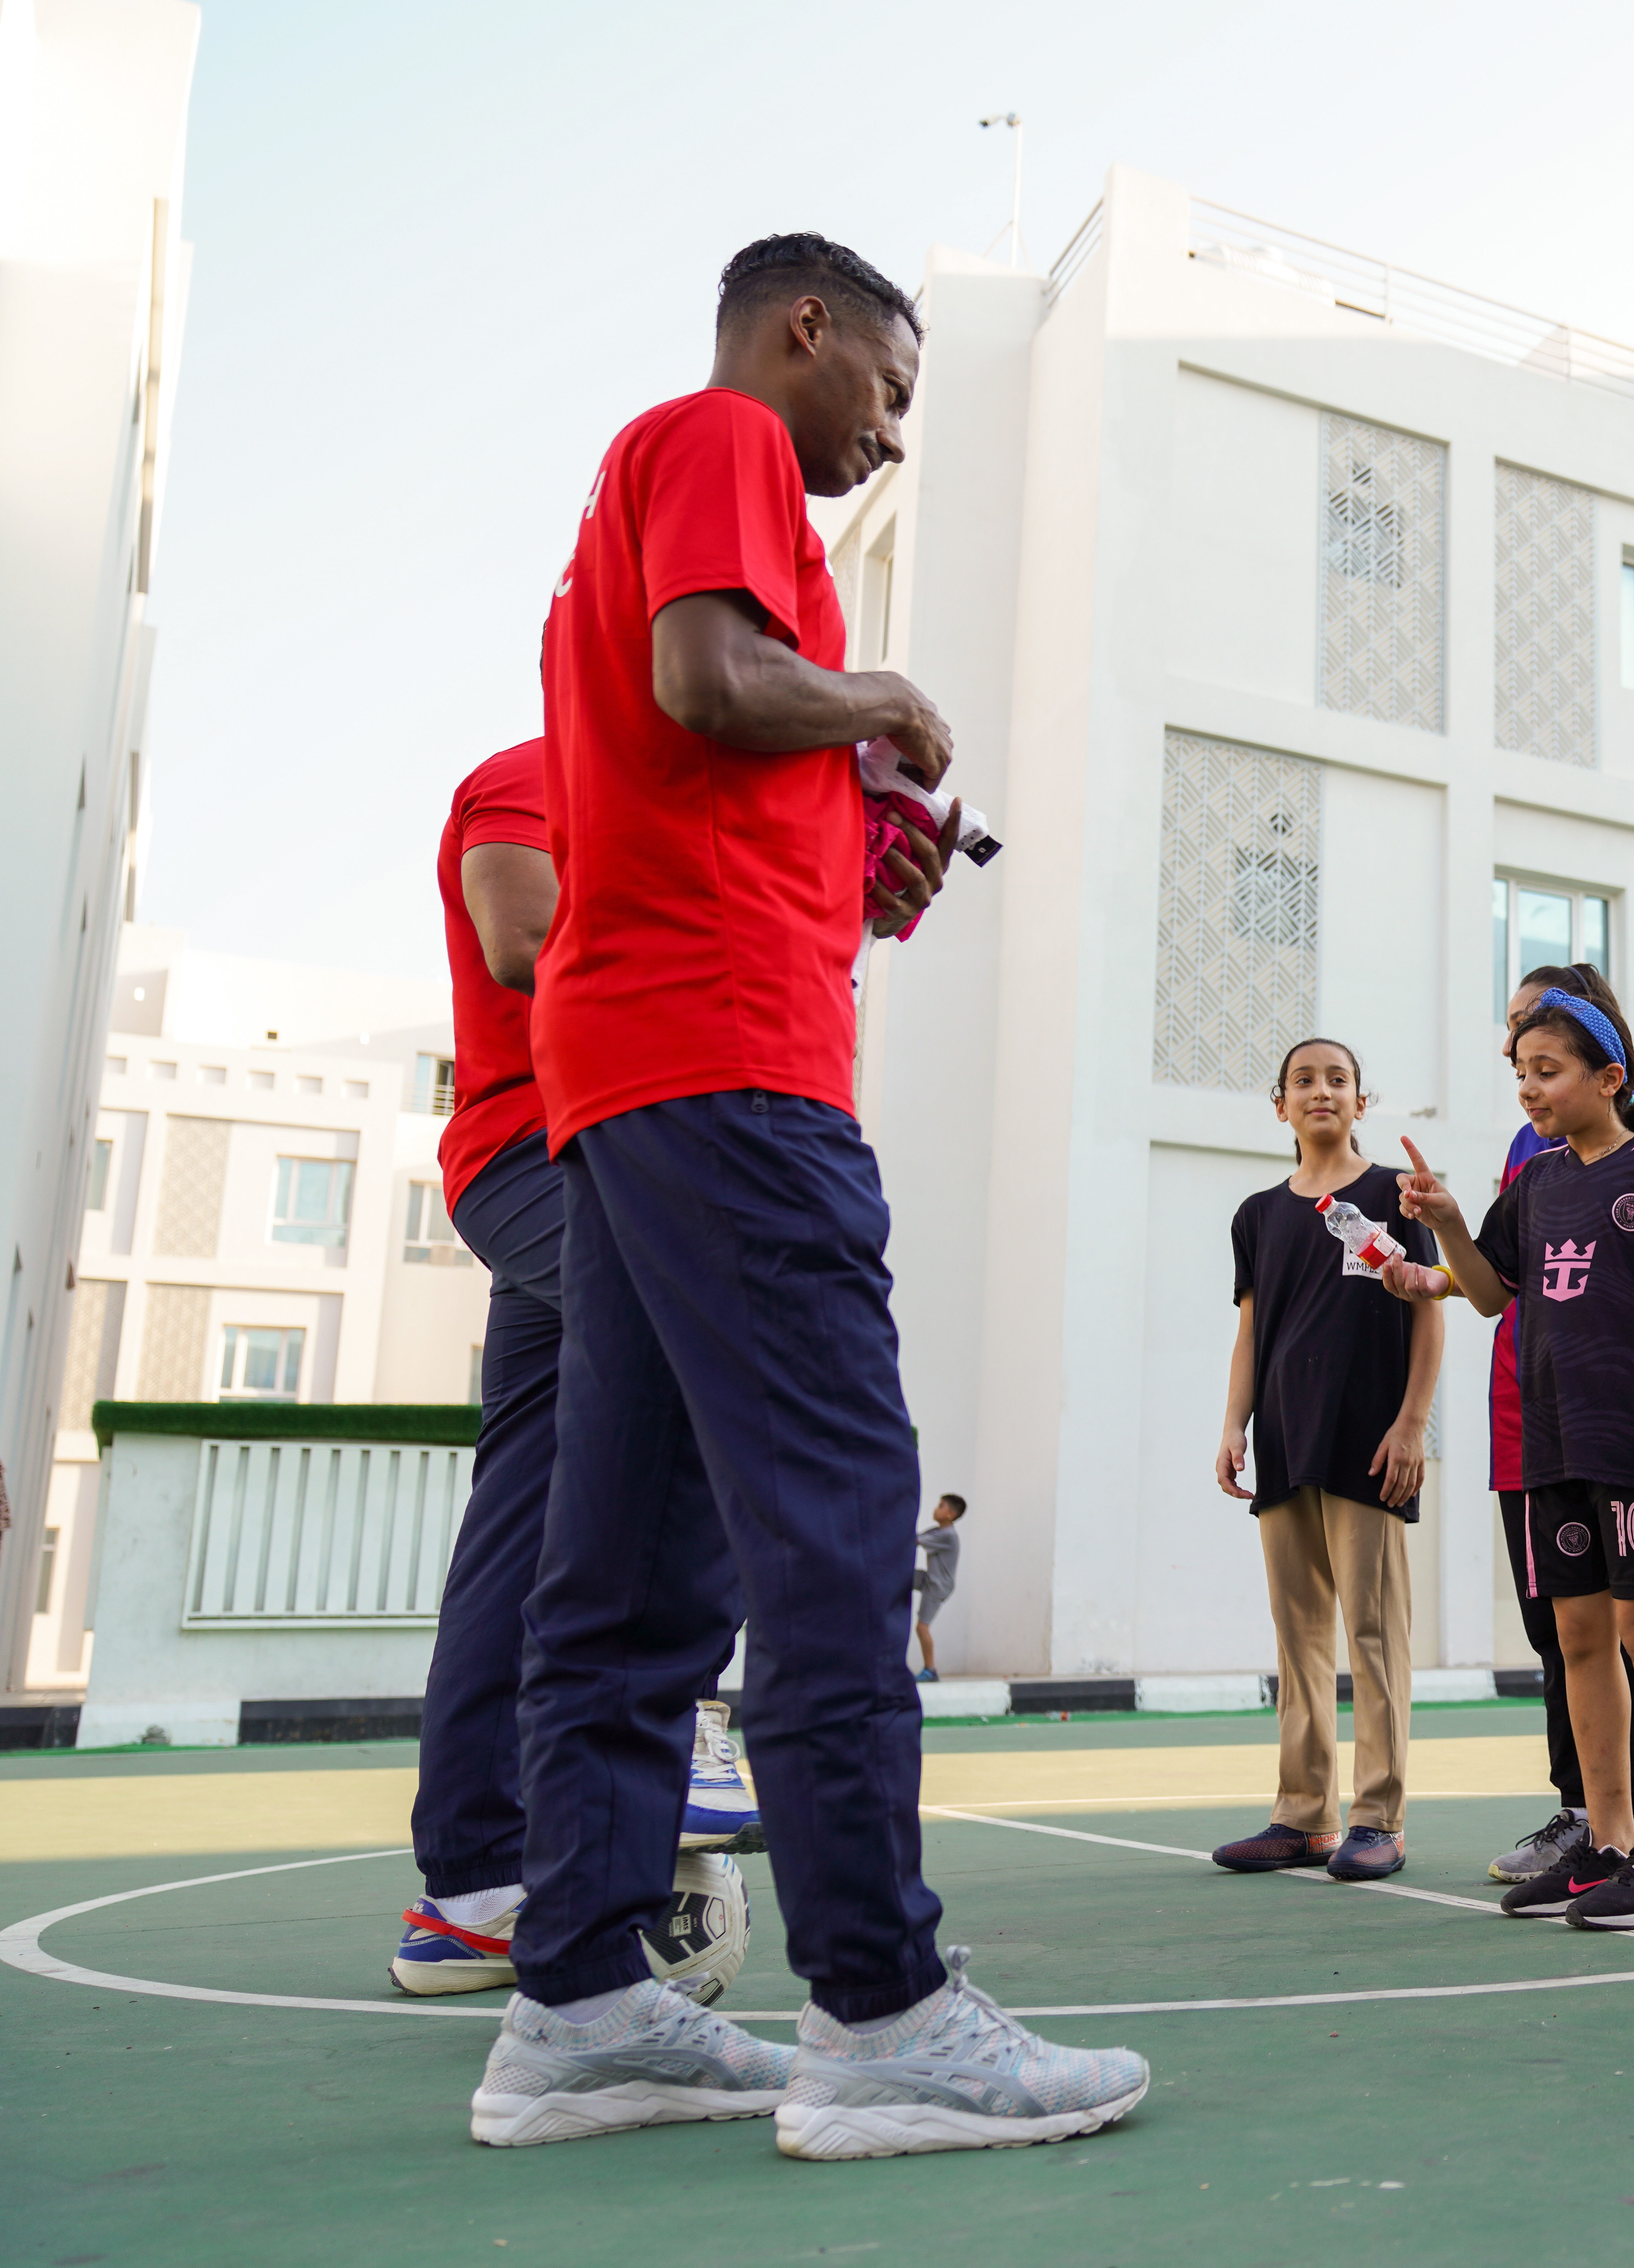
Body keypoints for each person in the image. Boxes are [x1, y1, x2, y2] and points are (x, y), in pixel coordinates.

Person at [482, 232, 1147, 2160]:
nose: (891, 436)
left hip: (626, 1073)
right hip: (731, 1074)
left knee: (631, 1561)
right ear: (808, 331)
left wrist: (864, 863)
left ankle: (582, 2002)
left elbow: (697, 743)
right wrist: (881, 698)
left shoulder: (648, 507)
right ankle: (881, 2012)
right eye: (893, 388)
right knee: (841, 1526)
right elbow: (715, 679)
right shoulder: (718, 441)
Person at [393, 737, 758, 1998]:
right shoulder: (540, 768)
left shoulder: (678, 801)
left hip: (616, 1153)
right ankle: (688, 1727)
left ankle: (471, 1887)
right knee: (718, 1350)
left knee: (518, 1512)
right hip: (539, 1155)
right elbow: (519, 931)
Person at [1386, 989, 1634, 1929]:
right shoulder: (1538, 1182)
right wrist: (1452, 1223)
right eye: (1520, 1075)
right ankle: (1613, 1842)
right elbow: (1490, 1294)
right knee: (1580, 1637)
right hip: (1551, 1438)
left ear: (1610, 1078)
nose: (1530, 1091)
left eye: (1547, 1072)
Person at [1209, 1037, 1443, 1882]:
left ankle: (1378, 1817)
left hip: (1368, 1439)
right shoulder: (1257, 1215)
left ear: (1360, 1101)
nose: (1320, 1091)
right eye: (1303, 1081)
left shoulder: (1395, 1195)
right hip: (1283, 1438)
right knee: (1298, 1636)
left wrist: (1411, 1423)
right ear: (1280, 1105)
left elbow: (1428, 1312)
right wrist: (1235, 1424)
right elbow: (1249, 1333)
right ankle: (1302, 1815)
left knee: (1374, 1634)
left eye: (1337, 1080)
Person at [1480, 964, 1634, 1884]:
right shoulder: (1528, 1149)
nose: (1518, 1059)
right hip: (1529, 1411)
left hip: (1620, 1416)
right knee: (1560, 1627)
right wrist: (1430, 1251)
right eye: (1514, 1044)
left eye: (1535, 1039)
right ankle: (1583, 1811)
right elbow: (1491, 1280)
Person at [911, 1495, 965, 1683]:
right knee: (903, 1578)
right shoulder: (939, 1531)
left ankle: (930, 1670)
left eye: (941, 1506)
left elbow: (915, 1541)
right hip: (930, 1579)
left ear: (950, 1515)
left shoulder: (947, 1536)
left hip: (937, 1586)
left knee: (922, 1627)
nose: (936, 1509)